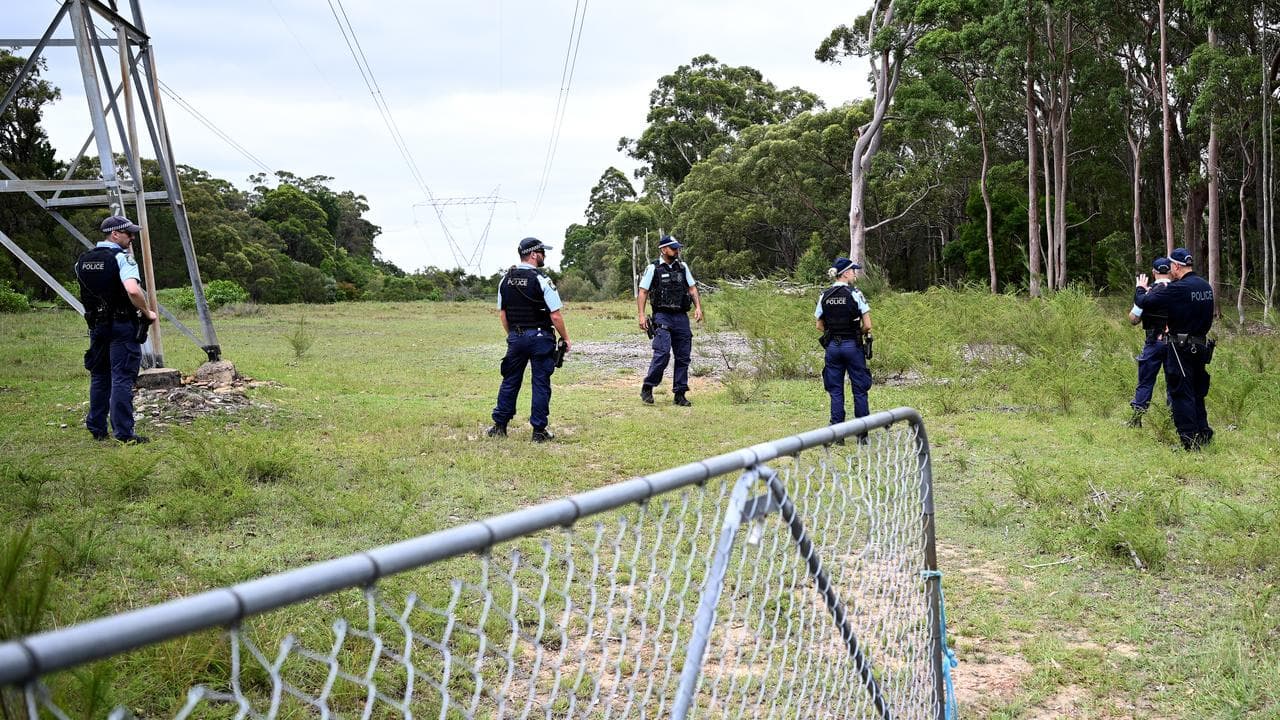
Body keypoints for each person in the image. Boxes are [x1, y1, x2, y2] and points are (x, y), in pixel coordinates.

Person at [74, 214, 157, 443]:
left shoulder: (82, 260)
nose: (132, 238)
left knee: (99, 376)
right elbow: (132, 289)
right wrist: (147, 311)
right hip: (121, 325)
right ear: (115, 234)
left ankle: (97, 428)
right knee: (122, 378)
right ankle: (124, 433)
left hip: (97, 326)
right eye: (129, 233)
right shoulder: (122, 258)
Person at [487, 237, 571, 442]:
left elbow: (503, 315)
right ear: (533, 254)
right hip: (541, 337)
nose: (544, 255)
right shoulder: (542, 280)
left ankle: (500, 426)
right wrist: (566, 338)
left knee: (510, 380)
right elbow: (555, 315)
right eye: (542, 252)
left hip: (516, 337)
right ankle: (539, 431)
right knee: (541, 383)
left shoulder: (504, 280)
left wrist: (514, 336)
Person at [1134, 247, 1215, 450]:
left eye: (1171, 266)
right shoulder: (1205, 286)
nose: (1170, 270)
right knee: (1197, 392)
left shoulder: (1178, 289)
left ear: (1177, 266)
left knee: (1181, 393)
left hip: (1181, 348)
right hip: (1201, 346)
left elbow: (1144, 302)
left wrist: (1140, 288)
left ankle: (1189, 441)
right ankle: (1204, 434)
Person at [636, 235, 703, 406]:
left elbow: (692, 288)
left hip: (681, 316)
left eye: (677, 248)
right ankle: (648, 386)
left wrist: (698, 308)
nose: (677, 251)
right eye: (673, 248)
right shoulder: (653, 268)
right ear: (663, 250)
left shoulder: (683, 267)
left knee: (683, 356)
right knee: (663, 353)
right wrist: (642, 315)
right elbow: (643, 291)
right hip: (662, 315)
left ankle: (680, 394)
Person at [815, 257, 873, 442]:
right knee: (859, 388)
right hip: (853, 346)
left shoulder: (824, 295)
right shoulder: (855, 293)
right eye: (853, 271)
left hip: (833, 347)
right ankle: (862, 434)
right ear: (846, 273)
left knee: (836, 389)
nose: (855, 274)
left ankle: (837, 434)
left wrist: (833, 332)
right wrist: (857, 332)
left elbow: (819, 325)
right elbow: (868, 325)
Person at [1125, 257, 1173, 427]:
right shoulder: (1179, 290)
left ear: (1153, 273)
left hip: (1153, 342)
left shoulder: (1148, 293)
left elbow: (1133, 319)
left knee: (1145, 381)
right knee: (1173, 383)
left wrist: (1141, 294)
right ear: (1171, 271)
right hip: (1175, 343)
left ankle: (1136, 419)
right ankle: (1172, 422)